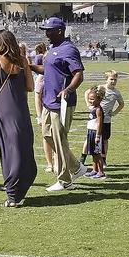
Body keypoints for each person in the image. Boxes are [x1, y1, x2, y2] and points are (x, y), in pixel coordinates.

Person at [0, 29, 38, 207]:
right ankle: (19, 188)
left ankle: (12, 194)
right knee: (22, 146)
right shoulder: (23, 61)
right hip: (20, 109)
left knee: (8, 150)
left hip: (3, 111)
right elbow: (30, 86)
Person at [39, 16, 84, 192]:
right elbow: (50, 69)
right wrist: (29, 67)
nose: (46, 34)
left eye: (49, 31)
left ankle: (65, 181)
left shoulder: (69, 49)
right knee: (48, 136)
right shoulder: (53, 48)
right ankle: (77, 167)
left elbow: (79, 74)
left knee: (59, 140)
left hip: (61, 102)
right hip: (48, 101)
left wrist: (69, 90)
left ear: (59, 31)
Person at [98, 71, 125, 165]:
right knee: (92, 138)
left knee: (105, 139)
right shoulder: (100, 88)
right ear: (106, 80)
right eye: (111, 79)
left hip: (106, 120)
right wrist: (89, 105)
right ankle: (83, 158)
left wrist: (114, 113)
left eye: (115, 79)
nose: (113, 81)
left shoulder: (116, 92)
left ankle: (103, 159)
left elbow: (121, 104)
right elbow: (87, 93)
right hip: (96, 119)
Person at [81, 85, 107, 179]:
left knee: (97, 154)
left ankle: (101, 172)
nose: (90, 101)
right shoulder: (93, 108)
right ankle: (94, 170)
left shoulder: (98, 110)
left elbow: (100, 124)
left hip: (96, 133)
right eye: (89, 99)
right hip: (90, 132)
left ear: (99, 99)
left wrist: (98, 136)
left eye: (92, 99)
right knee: (93, 153)